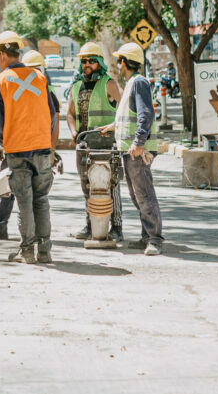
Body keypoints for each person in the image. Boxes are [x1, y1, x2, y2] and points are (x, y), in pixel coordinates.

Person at [0, 31, 58, 264]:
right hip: (42, 148)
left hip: (17, 151)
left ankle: (27, 251)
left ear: (1, 56)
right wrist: (46, 142)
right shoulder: (39, 77)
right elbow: (52, 114)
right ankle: (45, 251)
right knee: (41, 200)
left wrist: (1, 143)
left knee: (25, 202)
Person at [99, 42, 163, 256]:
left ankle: (154, 238)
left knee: (144, 194)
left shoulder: (138, 83)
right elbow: (132, 115)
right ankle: (147, 236)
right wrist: (113, 126)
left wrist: (139, 143)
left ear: (124, 62)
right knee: (137, 195)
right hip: (129, 149)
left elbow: (146, 114)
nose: (118, 64)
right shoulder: (132, 84)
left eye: (119, 60)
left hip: (137, 150)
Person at [67, 42, 123, 241]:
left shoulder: (109, 83)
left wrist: (117, 130)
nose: (87, 64)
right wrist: (73, 131)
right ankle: (90, 225)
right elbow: (70, 114)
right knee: (87, 186)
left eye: (91, 61)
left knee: (111, 185)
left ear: (99, 63)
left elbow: (123, 110)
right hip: (84, 144)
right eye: (84, 61)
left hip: (106, 144)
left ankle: (116, 227)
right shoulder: (76, 86)